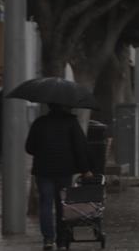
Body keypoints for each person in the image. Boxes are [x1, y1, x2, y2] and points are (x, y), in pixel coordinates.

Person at [26, 103, 94, 251]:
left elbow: (29, 147)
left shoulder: (39, 122)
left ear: (49, 107)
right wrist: (85, 170)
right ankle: (62, 241)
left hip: (43, 170)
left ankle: (48, 239)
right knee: (62, 205)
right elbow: (80, 147)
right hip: (64, 171)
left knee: (45, 204)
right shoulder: (71, 122)